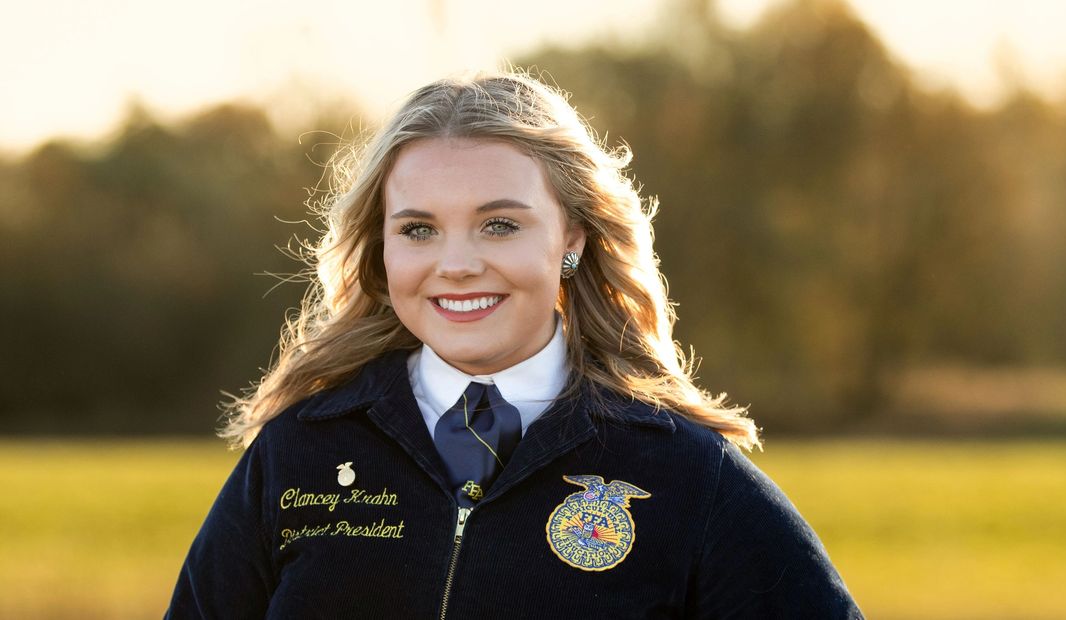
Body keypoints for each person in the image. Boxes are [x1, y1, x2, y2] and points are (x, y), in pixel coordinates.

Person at [166, 69, 863, 619]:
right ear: (381, 249)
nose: (456, 264)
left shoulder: (684, 474)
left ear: (571, 239)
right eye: (418, 229)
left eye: (499, 225)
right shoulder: (298, 452)